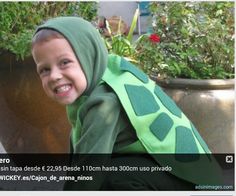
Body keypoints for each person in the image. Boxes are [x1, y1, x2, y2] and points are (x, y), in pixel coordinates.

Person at [31, 16, 222, 190]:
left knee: (111, 179)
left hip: (193, 181)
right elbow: (81, 156)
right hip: (178, 171)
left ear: (88, 56)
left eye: (65, 62)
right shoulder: (108, 73)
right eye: (44, 70)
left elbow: (87, 172)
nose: (54, 76)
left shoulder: (104, 103)